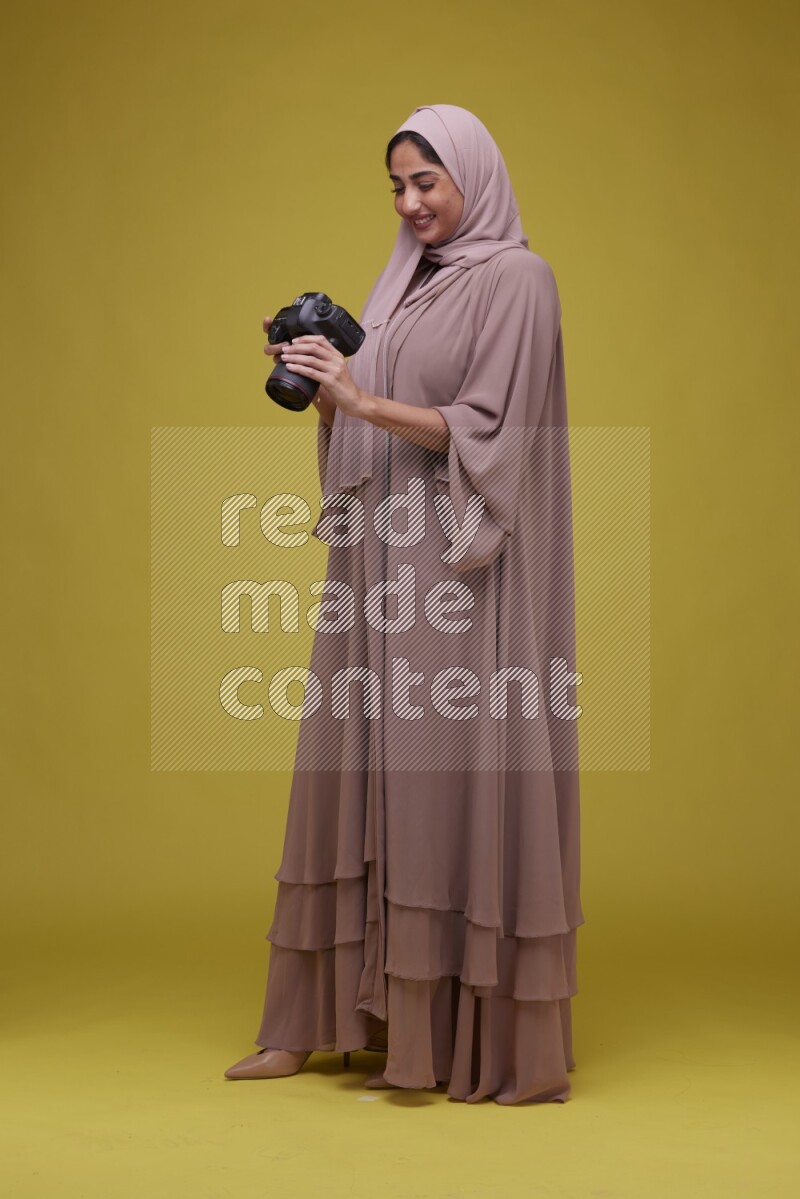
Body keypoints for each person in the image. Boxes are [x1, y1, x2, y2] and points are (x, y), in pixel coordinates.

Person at [224, 103, 585, 1105]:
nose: (410, 201)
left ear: (472, 175)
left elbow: (490, 433)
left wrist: (361, 392)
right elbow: (369, 422)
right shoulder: (406, 283)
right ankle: (309, 1022)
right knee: (352, 770)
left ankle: (447, 1037)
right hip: (375, 565)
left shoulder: (518, 279)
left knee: (431, 783)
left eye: (426, 180)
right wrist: (320, 377)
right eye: (395, 185)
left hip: (454, 573)